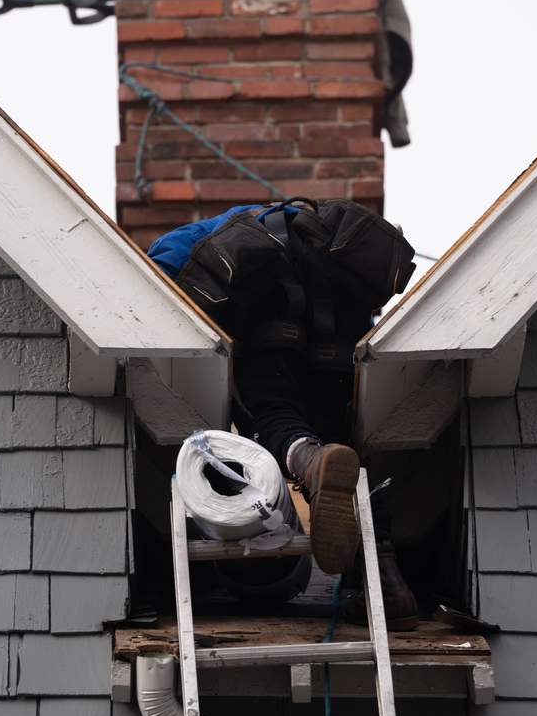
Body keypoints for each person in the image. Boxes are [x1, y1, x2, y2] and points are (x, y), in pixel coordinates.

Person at [148, 196, 419, 630]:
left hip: (270, 324)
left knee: (274, 418)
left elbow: (157, 276)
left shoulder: (238, 225)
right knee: (343, 445)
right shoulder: (335, 253)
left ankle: (308, 461)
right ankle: (389, 586)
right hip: (338, 337)